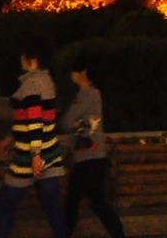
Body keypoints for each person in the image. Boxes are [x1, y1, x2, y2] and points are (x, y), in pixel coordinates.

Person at [0, 35, 67, 238]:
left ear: (31, 58)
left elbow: (35, 123)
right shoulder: (48, 81)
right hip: (50, 154)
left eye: (23, 55)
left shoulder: (32, 85)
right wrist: (12, 138)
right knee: (54, 211)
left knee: (6, 206)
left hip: (28, 159)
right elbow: (41, 120)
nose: (20, 59)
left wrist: (35, 155)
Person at [61, 57, 125, 238]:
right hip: (95, 158)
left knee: (75, 204)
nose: (71, 75)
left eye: (74, 71)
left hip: (86, 160)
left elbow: (66, 121)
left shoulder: (83, 96)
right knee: (95, 203)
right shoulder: (96, 94)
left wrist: (75, 123)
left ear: (82, 74)